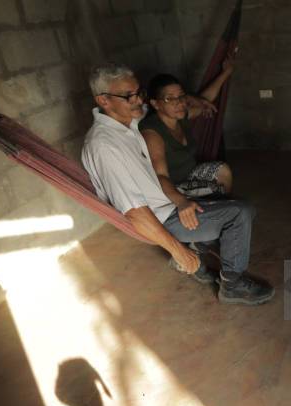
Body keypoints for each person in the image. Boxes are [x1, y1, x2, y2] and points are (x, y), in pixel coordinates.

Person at [81, 64, 274, 306]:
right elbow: (134, 211)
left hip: (166, 203)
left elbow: (193, 102)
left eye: (138, 92)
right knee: (240, 212)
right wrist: (179, 252)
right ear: (104, 100)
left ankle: (201, 253)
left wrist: (222, 73)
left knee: (229, 202)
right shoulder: (105, 146)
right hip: (162, 217)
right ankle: (232, 284)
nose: (137, 99)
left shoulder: (127, 126)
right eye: (129, 95)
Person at [140, 53, 236, 203]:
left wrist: (226, 72)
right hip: (171, 188)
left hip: (189, 174)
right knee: (216, 191)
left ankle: (223, 212)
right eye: (169, 98)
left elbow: (205, 102)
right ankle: (219, 213)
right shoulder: (152, 132)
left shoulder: (180, 116)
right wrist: (181, 202)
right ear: (155, 104)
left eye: (181, 96)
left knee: (223, 170)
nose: (178, 103)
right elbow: (160, 177)